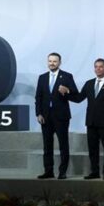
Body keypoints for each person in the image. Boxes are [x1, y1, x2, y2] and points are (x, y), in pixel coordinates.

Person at [67, 57, 104, 180]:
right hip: (91, 122)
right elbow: (79, 98)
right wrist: (67, 93)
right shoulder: (89, 83)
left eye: (101, 67)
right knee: (92, 149)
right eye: (96, 67)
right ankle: (94, 172)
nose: (98, 69)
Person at [34, 52, 77, 180]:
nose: (52, 63)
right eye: (50, 61)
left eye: (54, 61)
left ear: (59, 63)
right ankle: (48, 171)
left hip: (61, 116)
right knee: (47, 145)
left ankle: (62, 172)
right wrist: (38, 113)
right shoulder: (42, 77)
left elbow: (75, 94)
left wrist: (67, 91)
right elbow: (38, 97)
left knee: (63, 145)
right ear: (47, 62)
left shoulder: (67, 77)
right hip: (45, 117)